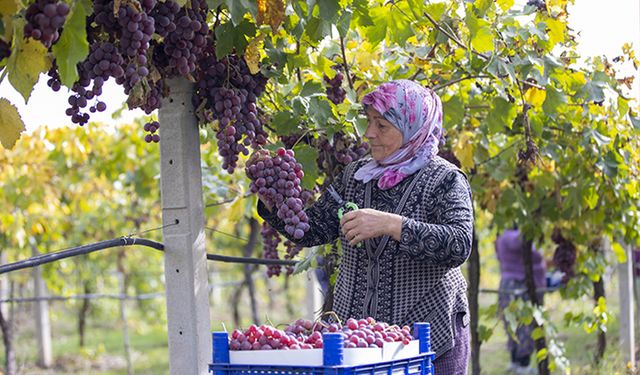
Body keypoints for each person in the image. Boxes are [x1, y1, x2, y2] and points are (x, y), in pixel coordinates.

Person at [253, 80, 473, 373]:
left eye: (381, 126)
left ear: (412, 128)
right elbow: (313, 230)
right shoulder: (355, 175)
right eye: (369, 122)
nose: (369, 133)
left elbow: (458, 244)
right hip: (359, 343)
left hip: (430, 338)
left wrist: (392, 225)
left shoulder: (445, 180)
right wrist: (273, 204)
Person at [495, 228, 546, 374]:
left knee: (513, 324)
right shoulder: (512, 237)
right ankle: (523, 364)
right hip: (520, 285)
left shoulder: (502, 237)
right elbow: (525, 245)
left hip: (511, 284)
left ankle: (516, 362)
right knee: (525, 325)